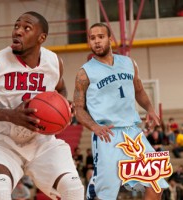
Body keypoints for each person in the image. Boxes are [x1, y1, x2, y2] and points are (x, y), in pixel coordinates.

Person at [0, 11, 84, 200]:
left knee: (74, 189)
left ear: (41, 37)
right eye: (16, 26)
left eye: (26, 28)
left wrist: (63, 106)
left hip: (42, 141)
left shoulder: (54, 62)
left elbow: (60, 90)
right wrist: (10, 115)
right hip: (2, 142)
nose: (18, 31)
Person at [73, 22, 169, 200]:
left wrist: (150, 108)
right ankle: (95, 188)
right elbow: (78, 108)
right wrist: (94, 127)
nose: (96, 42)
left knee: (156, 184)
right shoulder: (84, 73)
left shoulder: (129, 63)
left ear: (110, 39)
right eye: (92, 38)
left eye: (100, 37)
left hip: (133, 132)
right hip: (106, 135)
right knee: (106, 195)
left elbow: (139, 90)